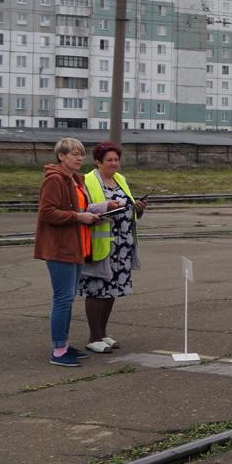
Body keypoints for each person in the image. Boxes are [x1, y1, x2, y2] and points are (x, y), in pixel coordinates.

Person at [33, 138, 120, 367]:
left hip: (77, 246)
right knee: (62, 299)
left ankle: (63, 344)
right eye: (74, 154)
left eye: (81, 154)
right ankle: (59, 351)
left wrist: (99, 210)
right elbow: (47, 213)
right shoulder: (54, 180)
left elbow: (79, 208)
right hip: (60, 248)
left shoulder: (76, 180)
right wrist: (79, 217)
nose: (79, 158)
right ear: (61, 156)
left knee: (68, 298)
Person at [79, 141, 147, 354]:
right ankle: (93, 337)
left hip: (122, 246)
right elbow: (81, 209)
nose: (113, 163)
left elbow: (128, 209)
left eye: (116, 159)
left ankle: (103, 333)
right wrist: (105, 207)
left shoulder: (120, 180)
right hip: (101, 245)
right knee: (97, 290)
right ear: (98, 162)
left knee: (112, 291)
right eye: (109, 160)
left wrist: (137, 208)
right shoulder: (87, 180)